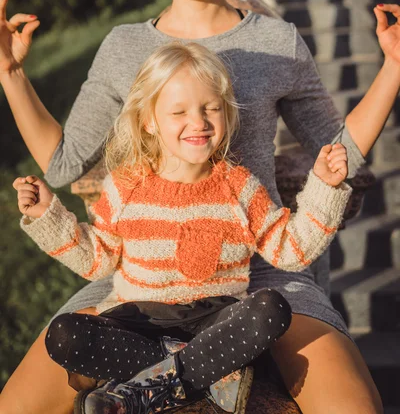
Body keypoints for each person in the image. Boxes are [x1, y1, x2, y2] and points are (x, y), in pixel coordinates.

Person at [1, 0, 399, 413]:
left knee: (356, 408)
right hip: (143, 272)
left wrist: (393, 68)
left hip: (258, 263)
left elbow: (336, 153)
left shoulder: (275, 42)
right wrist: (10, 73)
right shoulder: (125, 47)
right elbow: (65, 162)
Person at [13, 42, 351, 413]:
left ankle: (151, 383)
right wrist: (48, 215)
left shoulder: (239, 188)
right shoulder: (125, 187)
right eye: (179, 111)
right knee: (64, 335)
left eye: (211, 108)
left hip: (215, 322)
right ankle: (196, 374)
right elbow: (97, 261)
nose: (199, 122)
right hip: (139, 320)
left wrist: (325, 189)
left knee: (271, 309)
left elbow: (291, 250)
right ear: (149, 120)